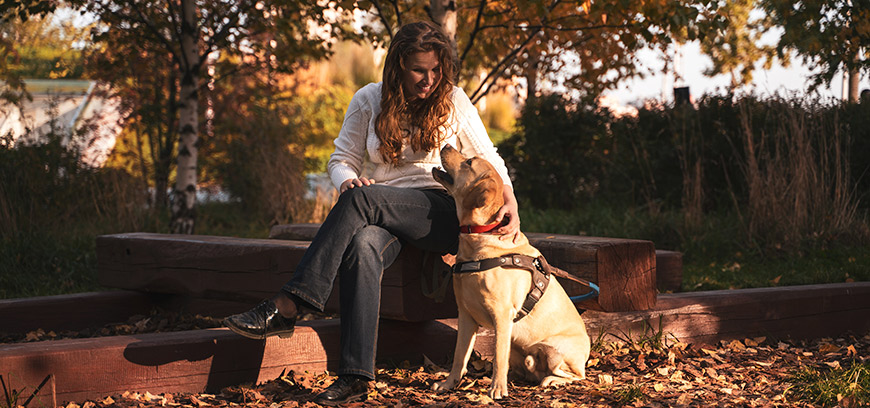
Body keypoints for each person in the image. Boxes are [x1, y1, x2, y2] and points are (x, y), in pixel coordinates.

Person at [223, 20, 520, 406]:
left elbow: (488, 155)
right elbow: (341, 159)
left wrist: (510, 198)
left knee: (363, 200)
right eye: (418, 70)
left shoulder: (454, 100)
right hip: (381, 210)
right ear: (398, 66)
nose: (429, 79)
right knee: (362, 245)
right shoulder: (368, 99)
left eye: (435, 70)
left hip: (438, 210)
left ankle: (291, 304)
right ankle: (356, 376)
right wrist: (348, 180)